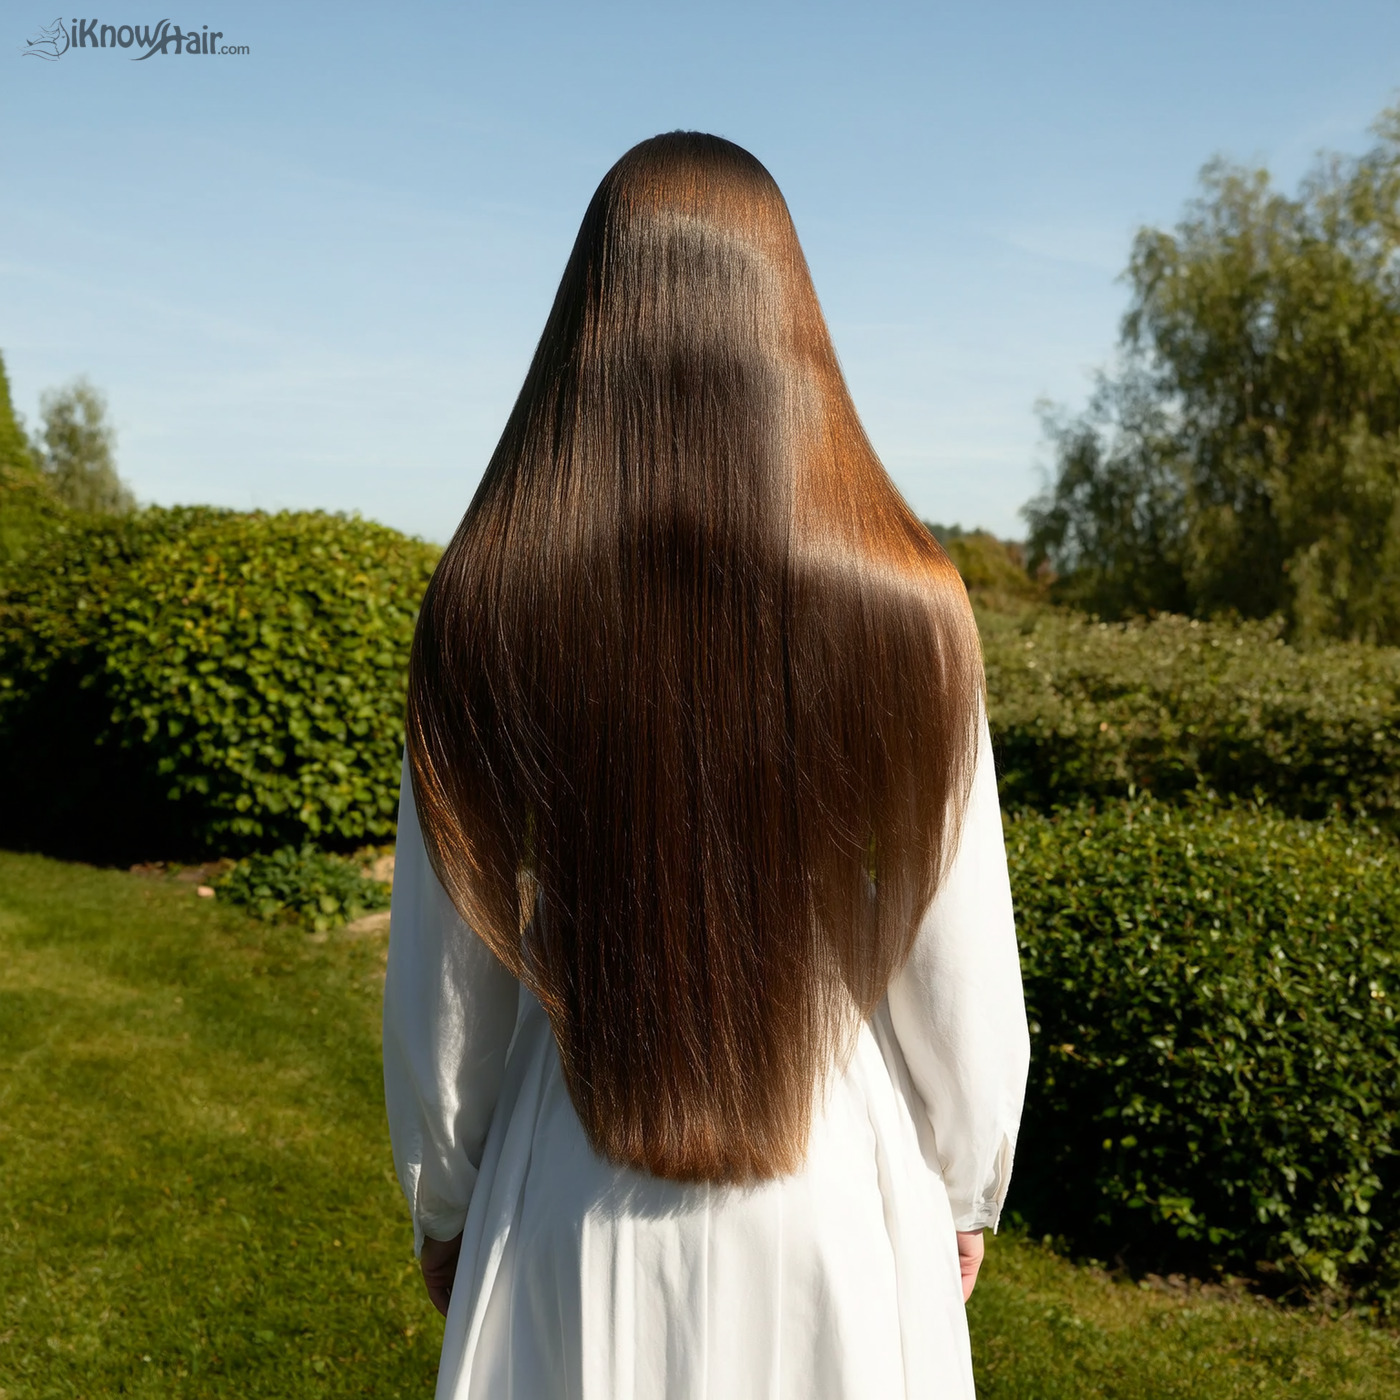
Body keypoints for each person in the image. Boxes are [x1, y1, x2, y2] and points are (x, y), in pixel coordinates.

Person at [383, 131, 1029, 1400]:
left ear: (585, 323)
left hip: (566, 1185)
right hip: (836, 1192)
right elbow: (960, 955)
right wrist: (962, 1182)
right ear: (792, 319)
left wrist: (445, 1194)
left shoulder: (484, 602)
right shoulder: (907, 605)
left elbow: (442, 974)